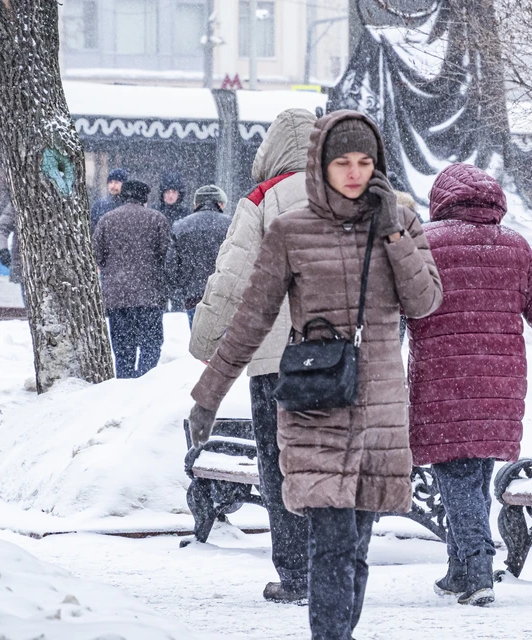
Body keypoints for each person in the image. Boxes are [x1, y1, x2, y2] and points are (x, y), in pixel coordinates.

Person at [187, 110, 442, 640]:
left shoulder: (400, 220)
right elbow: (251, 316)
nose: (353, 172)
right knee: (330, 545)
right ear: (319, 163)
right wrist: (208, 396)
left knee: (356, 550)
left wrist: (393, 230)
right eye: (341, 161)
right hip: (316, 405)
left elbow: (424, 302)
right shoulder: (291, 230)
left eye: (364, 161)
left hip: (379, 411)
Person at [406, 163, 532, 606]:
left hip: (443, 382)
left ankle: (477, 570)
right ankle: (461, 568)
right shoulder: (512, 247)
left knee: (455, 474)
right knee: (473, 475)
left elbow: (398, 308)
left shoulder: (426, 245)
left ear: (442, 199)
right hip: (499, 385)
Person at [189, 108, 316, 604]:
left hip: (276, 362)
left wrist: (206, 343)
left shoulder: (263, 199)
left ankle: (296, 573)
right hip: (342, 358)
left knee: (279, 464)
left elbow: (232, 280)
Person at [92, 180, 170, 379]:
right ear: (145, 197)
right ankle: (145, 382)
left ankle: (125, 384)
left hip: (118, 296)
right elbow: (165, 254)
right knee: (150, 345)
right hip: (150, 295)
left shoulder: (107, 219)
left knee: (123, 348)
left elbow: (97, 255)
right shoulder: (157, 219)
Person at [166, 185, 231, 329]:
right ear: (220, 204)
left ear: (196, 204)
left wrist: (180, 288)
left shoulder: (180, 226)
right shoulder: (232, 225)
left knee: (200, 343)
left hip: (193, 295)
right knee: (225, 345)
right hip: (224, 294)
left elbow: (170, 265)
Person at [90, 168, 129, 233]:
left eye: (116, 182)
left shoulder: (128, 204)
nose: (113, 186)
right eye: (111, 182)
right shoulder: (99, 205)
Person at [0, 202, 21, 284]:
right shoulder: (19, 201)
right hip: (25, 265)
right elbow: (1, 229)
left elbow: (1, 229)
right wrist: (2, 250)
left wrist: (2, 250)